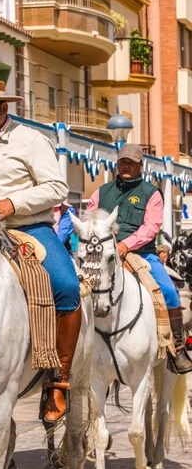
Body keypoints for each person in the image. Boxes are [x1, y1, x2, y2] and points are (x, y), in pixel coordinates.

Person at [0, 80, 81, 423]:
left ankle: (59, 377)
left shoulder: (30, 140)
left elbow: (57, 187)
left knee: (67, 286)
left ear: (3, 110)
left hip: (27, 228)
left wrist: (13, 203)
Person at [87, 143, 192, 374]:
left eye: (131, 163)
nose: (126, 166)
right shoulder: (101, 192)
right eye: (123, 162)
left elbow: (151, 227)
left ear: (140, 166)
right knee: (78, 286)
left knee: (168, 290)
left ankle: (177, 347)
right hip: (105, 253)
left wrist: (126, 244)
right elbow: (89, 218)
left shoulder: (151, 193)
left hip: (142, 253)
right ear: (117, 163)